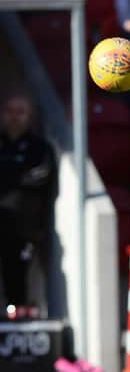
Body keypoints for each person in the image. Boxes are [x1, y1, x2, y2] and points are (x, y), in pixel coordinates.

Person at [0, 92, 57, 319]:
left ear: (30, 117)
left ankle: (18, 322)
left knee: (17, 273)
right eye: (9, 112)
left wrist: (9, 175)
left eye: (20, 112)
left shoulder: (39, 148)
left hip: (24, 225)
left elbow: (41, 177)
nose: (14, 117)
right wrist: (17, 174)